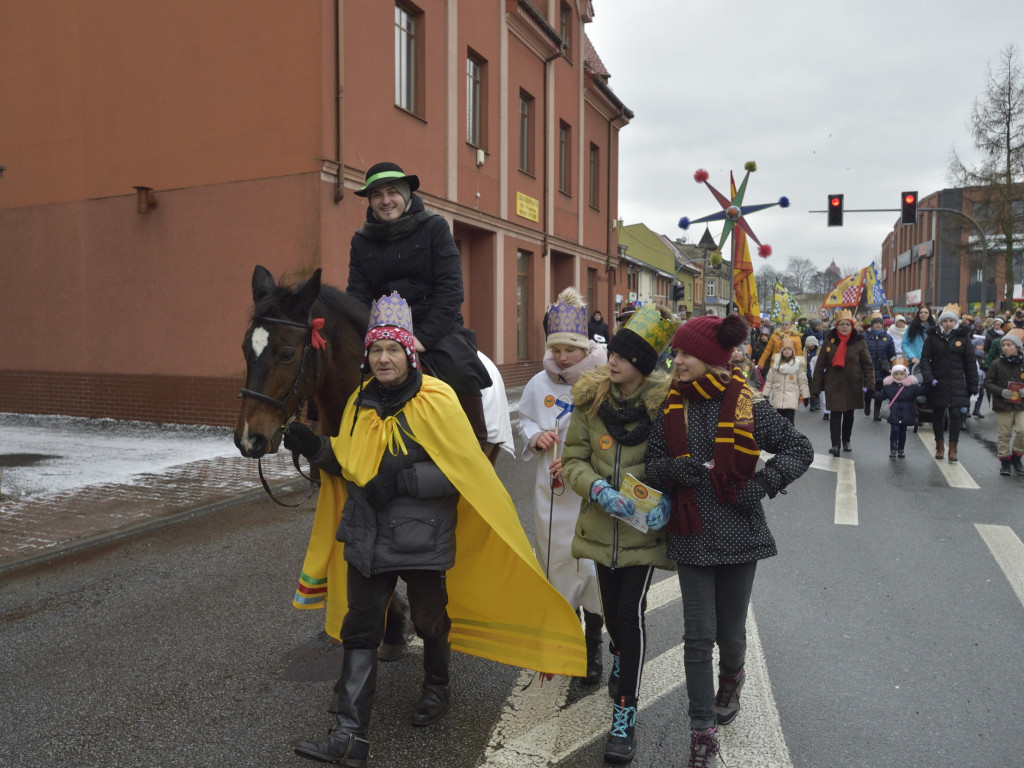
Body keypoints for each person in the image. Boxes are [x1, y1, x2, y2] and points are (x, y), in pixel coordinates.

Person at [284, 293, 586, 766]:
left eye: (393, 350)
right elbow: (348, 464)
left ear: (410, 354)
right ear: (368, 356)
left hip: (422, 538)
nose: (384, 359)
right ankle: (349, 736)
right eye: (377, 351)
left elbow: (462, 471)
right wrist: (315, 449)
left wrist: (403, 478)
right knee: (360, 627)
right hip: (366, 536)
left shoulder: (437, 400)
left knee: (429, 619)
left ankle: (437, 688)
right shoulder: (358, 405)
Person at [644, 314, 813, 768]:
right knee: (697, 637)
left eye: (684, 354)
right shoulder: (669, 406)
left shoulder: (748, 405)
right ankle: (702, 730)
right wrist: (669, 471)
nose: (675, 361)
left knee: (730, 634)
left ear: (711, 359)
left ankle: (733, 675)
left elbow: (800, 450)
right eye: (674, 353)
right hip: (692, 531)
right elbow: (652, 463)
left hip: (740, 530)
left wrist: (761, 485)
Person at [561, 304, 677, 764]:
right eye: (613, 352)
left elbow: (676, 459)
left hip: (644, 536)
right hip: (600, 529)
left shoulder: (666, 405)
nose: (613, 361)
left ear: (644, 365)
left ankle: (624, 715)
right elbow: (573, 460)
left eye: (625, 357)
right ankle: (621, 654)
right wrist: (597, 489)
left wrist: (664, 496)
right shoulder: (590, 400)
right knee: (613, 617)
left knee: (629, 615)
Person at [346, 161, 492, 447]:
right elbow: (357, 295)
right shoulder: (360, 241)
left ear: (406, 194)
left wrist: (423, 338)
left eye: (392, 192)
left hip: (435, 328)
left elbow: (451, 290)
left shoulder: (434, 228)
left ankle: (477, 444)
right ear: (370, 201)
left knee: (460, 368)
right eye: (377, 195)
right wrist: (365, 336)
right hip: (382, 331)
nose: (385, 201)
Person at [518, 288, 607, 685]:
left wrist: (580, 461)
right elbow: (525, 420)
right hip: (551, 493)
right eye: (556, 349)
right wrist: (535, 435)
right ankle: (566, 641)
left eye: (570, 348)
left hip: (588, 492)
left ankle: (593, 647)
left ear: (584, 347)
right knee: (556, 565)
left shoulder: (600, 381)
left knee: (590, 568)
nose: (562, 356)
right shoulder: (539, 383)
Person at [919, 304, 979, 462]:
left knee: (955, 414)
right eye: (945, 321)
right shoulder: (932, 337)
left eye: (951, 321)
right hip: (937, 382)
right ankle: (939, 446)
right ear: (940, 322)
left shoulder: (963, 338)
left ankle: (953, 449)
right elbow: (924, 360)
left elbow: (970, 363)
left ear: (955, 322)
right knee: (938, 414)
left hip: (957, 382)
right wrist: (928, 377)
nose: (948, 324)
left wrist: (973, 385)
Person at [811, 310, 874, 456]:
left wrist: (869, 385)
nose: (844, 327)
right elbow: (820, 366)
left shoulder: (859, 341)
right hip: (834, 383)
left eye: (847, 324)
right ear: (836, 326)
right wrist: (815, 388)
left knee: (849, 414)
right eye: (841, 324)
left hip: (853, 383)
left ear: (852, 326)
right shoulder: (829, 340)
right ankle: (835, 445)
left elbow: (867, 365)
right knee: (835, 413)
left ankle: (846, 440)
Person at [983, 328, 1024, 475]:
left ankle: (1017, 456)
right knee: (1004, 434)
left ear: (1017, 347)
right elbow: (987, 382)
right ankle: (1005, 462)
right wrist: (1001, 391)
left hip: (1021, 405)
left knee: (1022, 431)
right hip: (1003, 405)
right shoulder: (996, 364)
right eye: (1003, 345)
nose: (1005, 348)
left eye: (1009, 345)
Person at [762, 337, 810, 424]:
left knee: (789, 421)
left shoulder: (797, 365)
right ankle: (780, 437)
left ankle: (790, 437)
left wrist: (805, 396)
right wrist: (765, 395)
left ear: (793, 351)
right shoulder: (775, 366)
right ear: (781, 351)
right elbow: (769, 382)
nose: (787, 351)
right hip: (777, 396)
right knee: (778, 422)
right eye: (785, 349)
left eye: (789, 349)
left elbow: (802, 382)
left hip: (791, 397)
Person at [881, 362, 920, 458]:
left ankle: (901, 449)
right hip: (894, 412)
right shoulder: (889, 387)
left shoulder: (912, 387)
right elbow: (881, 395)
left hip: (906, 412)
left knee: (903, 432)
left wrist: (931, 385)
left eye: (901, 374)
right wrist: (868, 393)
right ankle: (893, 450)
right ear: (892, 375)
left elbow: (921, 391)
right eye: (896, 374)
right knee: (894, 430)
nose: (899, 376)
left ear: (905, 375)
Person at [863, 312, 897, 421]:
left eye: (880, 323)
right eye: (876, 323)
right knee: (868, 390)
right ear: (872, 325)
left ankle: (877, 412)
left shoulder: (888, 338)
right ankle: (867, 403)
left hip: (882, 369)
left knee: (879, 392)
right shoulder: (865, 337)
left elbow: (892, 355)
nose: (878, 325)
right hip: (868, 368)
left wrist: (892, 366)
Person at [804, 335, 821, 411]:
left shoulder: (819, 351)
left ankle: (817, 403)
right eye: (809, 346)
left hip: (816, 373)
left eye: (812, 345)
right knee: (810, 389)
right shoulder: (805, 351)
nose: (811, 347)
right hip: (808, 373)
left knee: (817, 389)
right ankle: (812, 404)